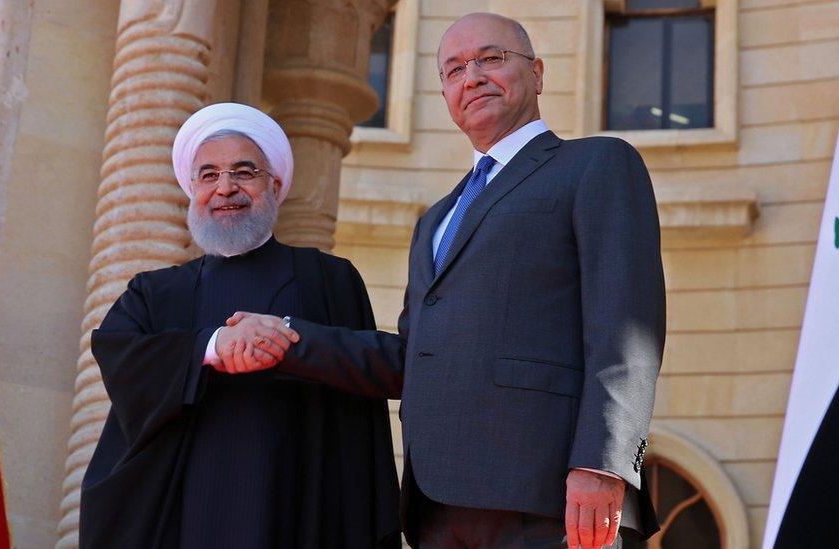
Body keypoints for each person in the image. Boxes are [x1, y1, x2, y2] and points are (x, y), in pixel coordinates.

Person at [223, 13, 665, 549]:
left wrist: (604, 464)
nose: (472, 77)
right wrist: (288, 338)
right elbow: (412, 358)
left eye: (491, 59)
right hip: (438, 508)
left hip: (552, 500)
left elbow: (626, 329)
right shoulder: (437, 219)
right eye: (454, 70)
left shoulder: (595, 164)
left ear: (538, 73)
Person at [78, 103, 401, 548]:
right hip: (187, 516)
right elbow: (117, 351)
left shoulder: (328, 277)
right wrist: (212, 346)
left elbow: (373, 373)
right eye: (208, 176)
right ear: (192, 190)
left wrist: (286, 339)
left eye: (244, 172)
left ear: (276, 185)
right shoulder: (156, 292)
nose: (225, 188)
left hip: (300, 508)